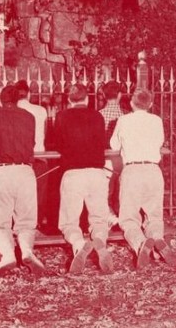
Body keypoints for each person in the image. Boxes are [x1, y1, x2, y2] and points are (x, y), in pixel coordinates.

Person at [0, 85, 45, 277]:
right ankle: (26, 251)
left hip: (3, 171)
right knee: (26, 219)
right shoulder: (29, 117)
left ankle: (7, 254)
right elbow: (32, 143)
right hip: (25, 171)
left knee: (1, 221)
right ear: (18, 99)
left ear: (0, 100)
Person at [110, 88, 176, 269]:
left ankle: (141, 244)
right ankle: (156, 238)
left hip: (132, 170)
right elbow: (159, 142)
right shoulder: (157, 120)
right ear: (150, 104)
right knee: (154, 215)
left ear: (131, 103)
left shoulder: (123, 120)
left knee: (129, 218)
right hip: (153, 171)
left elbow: (113, 144)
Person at [55, 84, 113, 274]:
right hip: (96, 172)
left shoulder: (62, 116)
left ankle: (79, 245)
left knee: (69, 222)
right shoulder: (97, 116)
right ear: (87, 99)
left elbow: (57, 142)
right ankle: (100, 242)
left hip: (73, 173)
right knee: (99, 219)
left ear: (70, 99)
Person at [15, 80, 48, 230]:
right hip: (40, 154)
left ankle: (22, 224)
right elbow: (46, 132)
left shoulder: (12, 111)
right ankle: (38, 221)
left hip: (21, 158)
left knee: (21, 192)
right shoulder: (41, 110)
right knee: (39, 190)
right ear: (29, 94)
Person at [99, 81, 125, 219]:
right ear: (120, 95)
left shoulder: (99, 115)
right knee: (121, 191)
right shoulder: (125, 116)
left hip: (106, 158)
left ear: (103, 95)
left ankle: (108, 218)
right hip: (121, 158)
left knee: (106, 191)